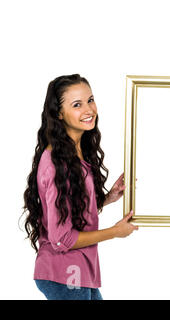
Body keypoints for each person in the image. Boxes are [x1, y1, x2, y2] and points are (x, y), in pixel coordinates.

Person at [22, 74, 138, 300]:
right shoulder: (57, 163)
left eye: (90, 100)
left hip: (78, 270)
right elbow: (61, 238)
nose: (89, 109)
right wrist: (115, 232)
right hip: (65, 273)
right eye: (77, 104)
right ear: (59, 113)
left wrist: (107, 198)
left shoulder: (75, 152)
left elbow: (70, 210)